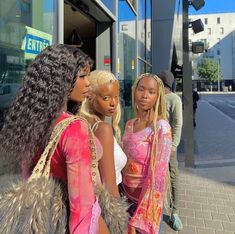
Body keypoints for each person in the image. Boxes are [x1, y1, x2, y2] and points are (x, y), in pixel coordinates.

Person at [0, 44, 109, 234]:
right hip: (71, 220)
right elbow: (82, 209)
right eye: (82, 76)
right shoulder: (74, 127)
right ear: (61, 79)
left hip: (41, 219)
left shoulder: (29, 121)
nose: (88, 83)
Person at [122, 73, 172, 234]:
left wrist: (140, 218)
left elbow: (158, 176)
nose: (144, 95)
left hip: (145, 206)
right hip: (125, 199)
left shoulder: (161, 128)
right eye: (141, 89)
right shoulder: (130, 124)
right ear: (134, 91)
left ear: (158, 96)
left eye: (151, 92)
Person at [81, 70, 127, 197]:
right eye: (106, 98)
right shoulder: (102, 129)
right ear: (91, 97)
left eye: (116, 96)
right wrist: (119, 214)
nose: (113, 103)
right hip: (107, 207)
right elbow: (110, 187)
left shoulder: (84, 123)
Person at [158, 70, 183, 231]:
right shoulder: (156, 97)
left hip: (168, 146)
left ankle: (174, 212)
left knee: (173, 177)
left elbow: (178, 123)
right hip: (154, 144)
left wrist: (173, 146)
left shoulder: (174, 99)